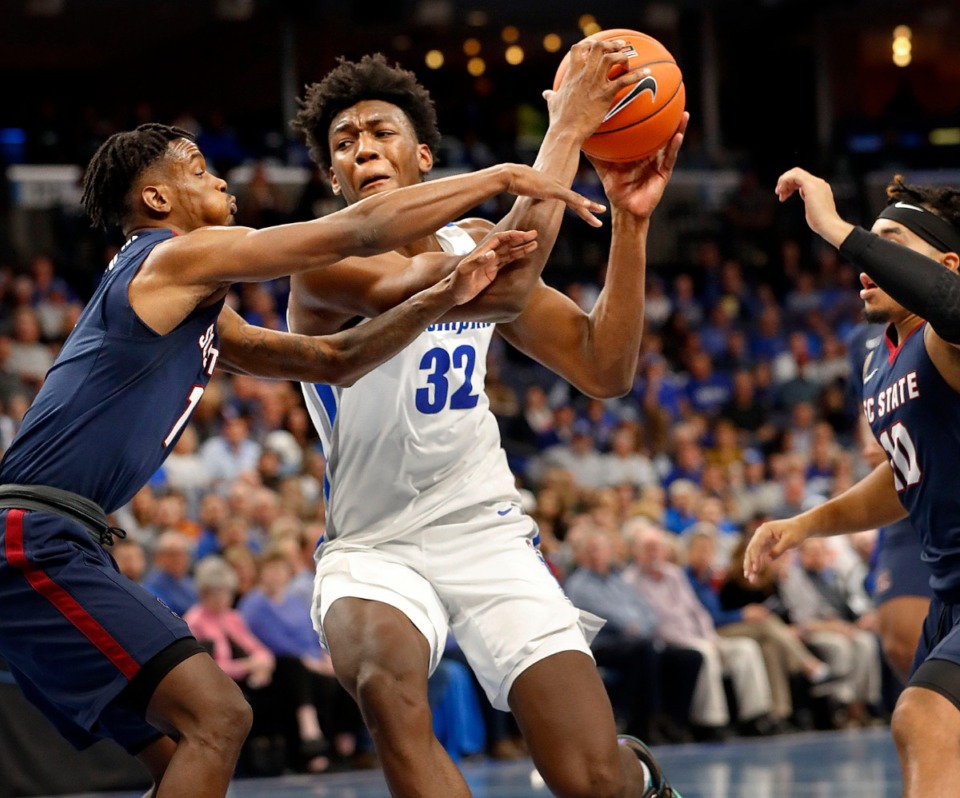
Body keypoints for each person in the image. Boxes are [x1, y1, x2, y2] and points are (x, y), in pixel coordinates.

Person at [0, 122, 596, 798]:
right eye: (198, 169)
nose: (219, 178)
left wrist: (440, 299)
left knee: (179, 749)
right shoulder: (170, 257)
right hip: (32, 539)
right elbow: (357, 232)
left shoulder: (189, 301)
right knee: (219, 717)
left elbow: (333, 360)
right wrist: (502, 177)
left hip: (57, 541)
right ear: (160, 201)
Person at [289, 46, 688, 798]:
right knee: (384, 682)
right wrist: (566, 126)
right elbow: (499, 285)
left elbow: (604, 369)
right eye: (343, 144)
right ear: (332, 178)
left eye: (379, 131)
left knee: (592, 778)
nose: (361, 147)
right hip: (373, 545)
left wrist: (630, 228)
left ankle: (636, 777)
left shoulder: (472, 239)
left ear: (424, 156)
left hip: (486, 531)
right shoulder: (323, 263)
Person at [745, 167, 960, 797]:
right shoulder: (872, 355)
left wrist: (838, 229)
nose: (870, 255)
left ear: (948, 262)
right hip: (948, 591)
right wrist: (804, 522)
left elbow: (951, 303)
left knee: (923, 718)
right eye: (872, 239)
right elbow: (902, 474)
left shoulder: (949, 339)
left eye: (894, 242)